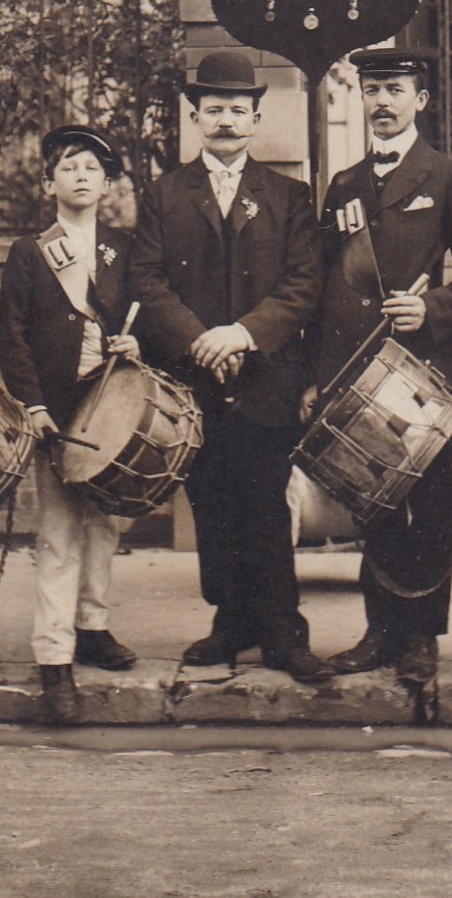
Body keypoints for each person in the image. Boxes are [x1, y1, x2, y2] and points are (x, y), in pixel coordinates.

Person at [129, 50, 330, 684]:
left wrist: (241, 335)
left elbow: (304, 284)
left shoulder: (289, 197)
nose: (225, 122)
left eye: (237, 111)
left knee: (267, 506)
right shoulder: (163, 195)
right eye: (212, 110)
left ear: (255, 118)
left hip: (264, 376)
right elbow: (148, 281)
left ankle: (282, 632)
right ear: (194, 117)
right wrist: (198, 341)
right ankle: (230, 623)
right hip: (193, 379)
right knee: (209, 503)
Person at [308, 48, 452, 686]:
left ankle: (422, 636)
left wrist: (431, 307)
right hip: (358, 373)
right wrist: (321, 375)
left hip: (423, 371)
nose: (382, 103)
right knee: (374, 503)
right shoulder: (344, 185)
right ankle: (380, 631)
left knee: (429, 503)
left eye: (395, 90)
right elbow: (324, 284)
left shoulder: (447, 178)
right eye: (372, 91)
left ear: (422, 99)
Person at [0, 125, 142, 722]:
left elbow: (146, 317)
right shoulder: (29, 253)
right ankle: (54, 656)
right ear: (49, 182)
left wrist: (138, 342)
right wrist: (32, 406)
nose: (80, 177)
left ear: (106, 184)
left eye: (91, 169)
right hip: (56, 409)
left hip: (111, 403)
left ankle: (93, 626)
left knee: (105, 524)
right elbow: (11, 338)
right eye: (68, 167)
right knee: (59, 532)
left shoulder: (124, 250)